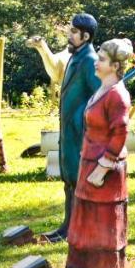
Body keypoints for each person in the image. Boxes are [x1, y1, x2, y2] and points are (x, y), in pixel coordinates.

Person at [66, 38, 133, 268]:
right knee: (85, 215)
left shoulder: (117, 96)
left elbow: (120, 133)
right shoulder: (102, 89)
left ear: (115, 66)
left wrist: (103, 168)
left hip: (103, 171)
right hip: (89, 162)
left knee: (102, 219)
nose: (97, 62)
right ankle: (81, 267)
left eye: (102, 59)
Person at [42, 13, 100, 243]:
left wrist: (79, 118)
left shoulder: (90, 60)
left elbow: (99, 96)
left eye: (74, 32)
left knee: (78, 180)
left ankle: (77, 228)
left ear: (85, 36)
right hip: (69, 133)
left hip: (80, 132)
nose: (69, 34)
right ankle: (67, 226)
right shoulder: (75, 57)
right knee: (69, 180)